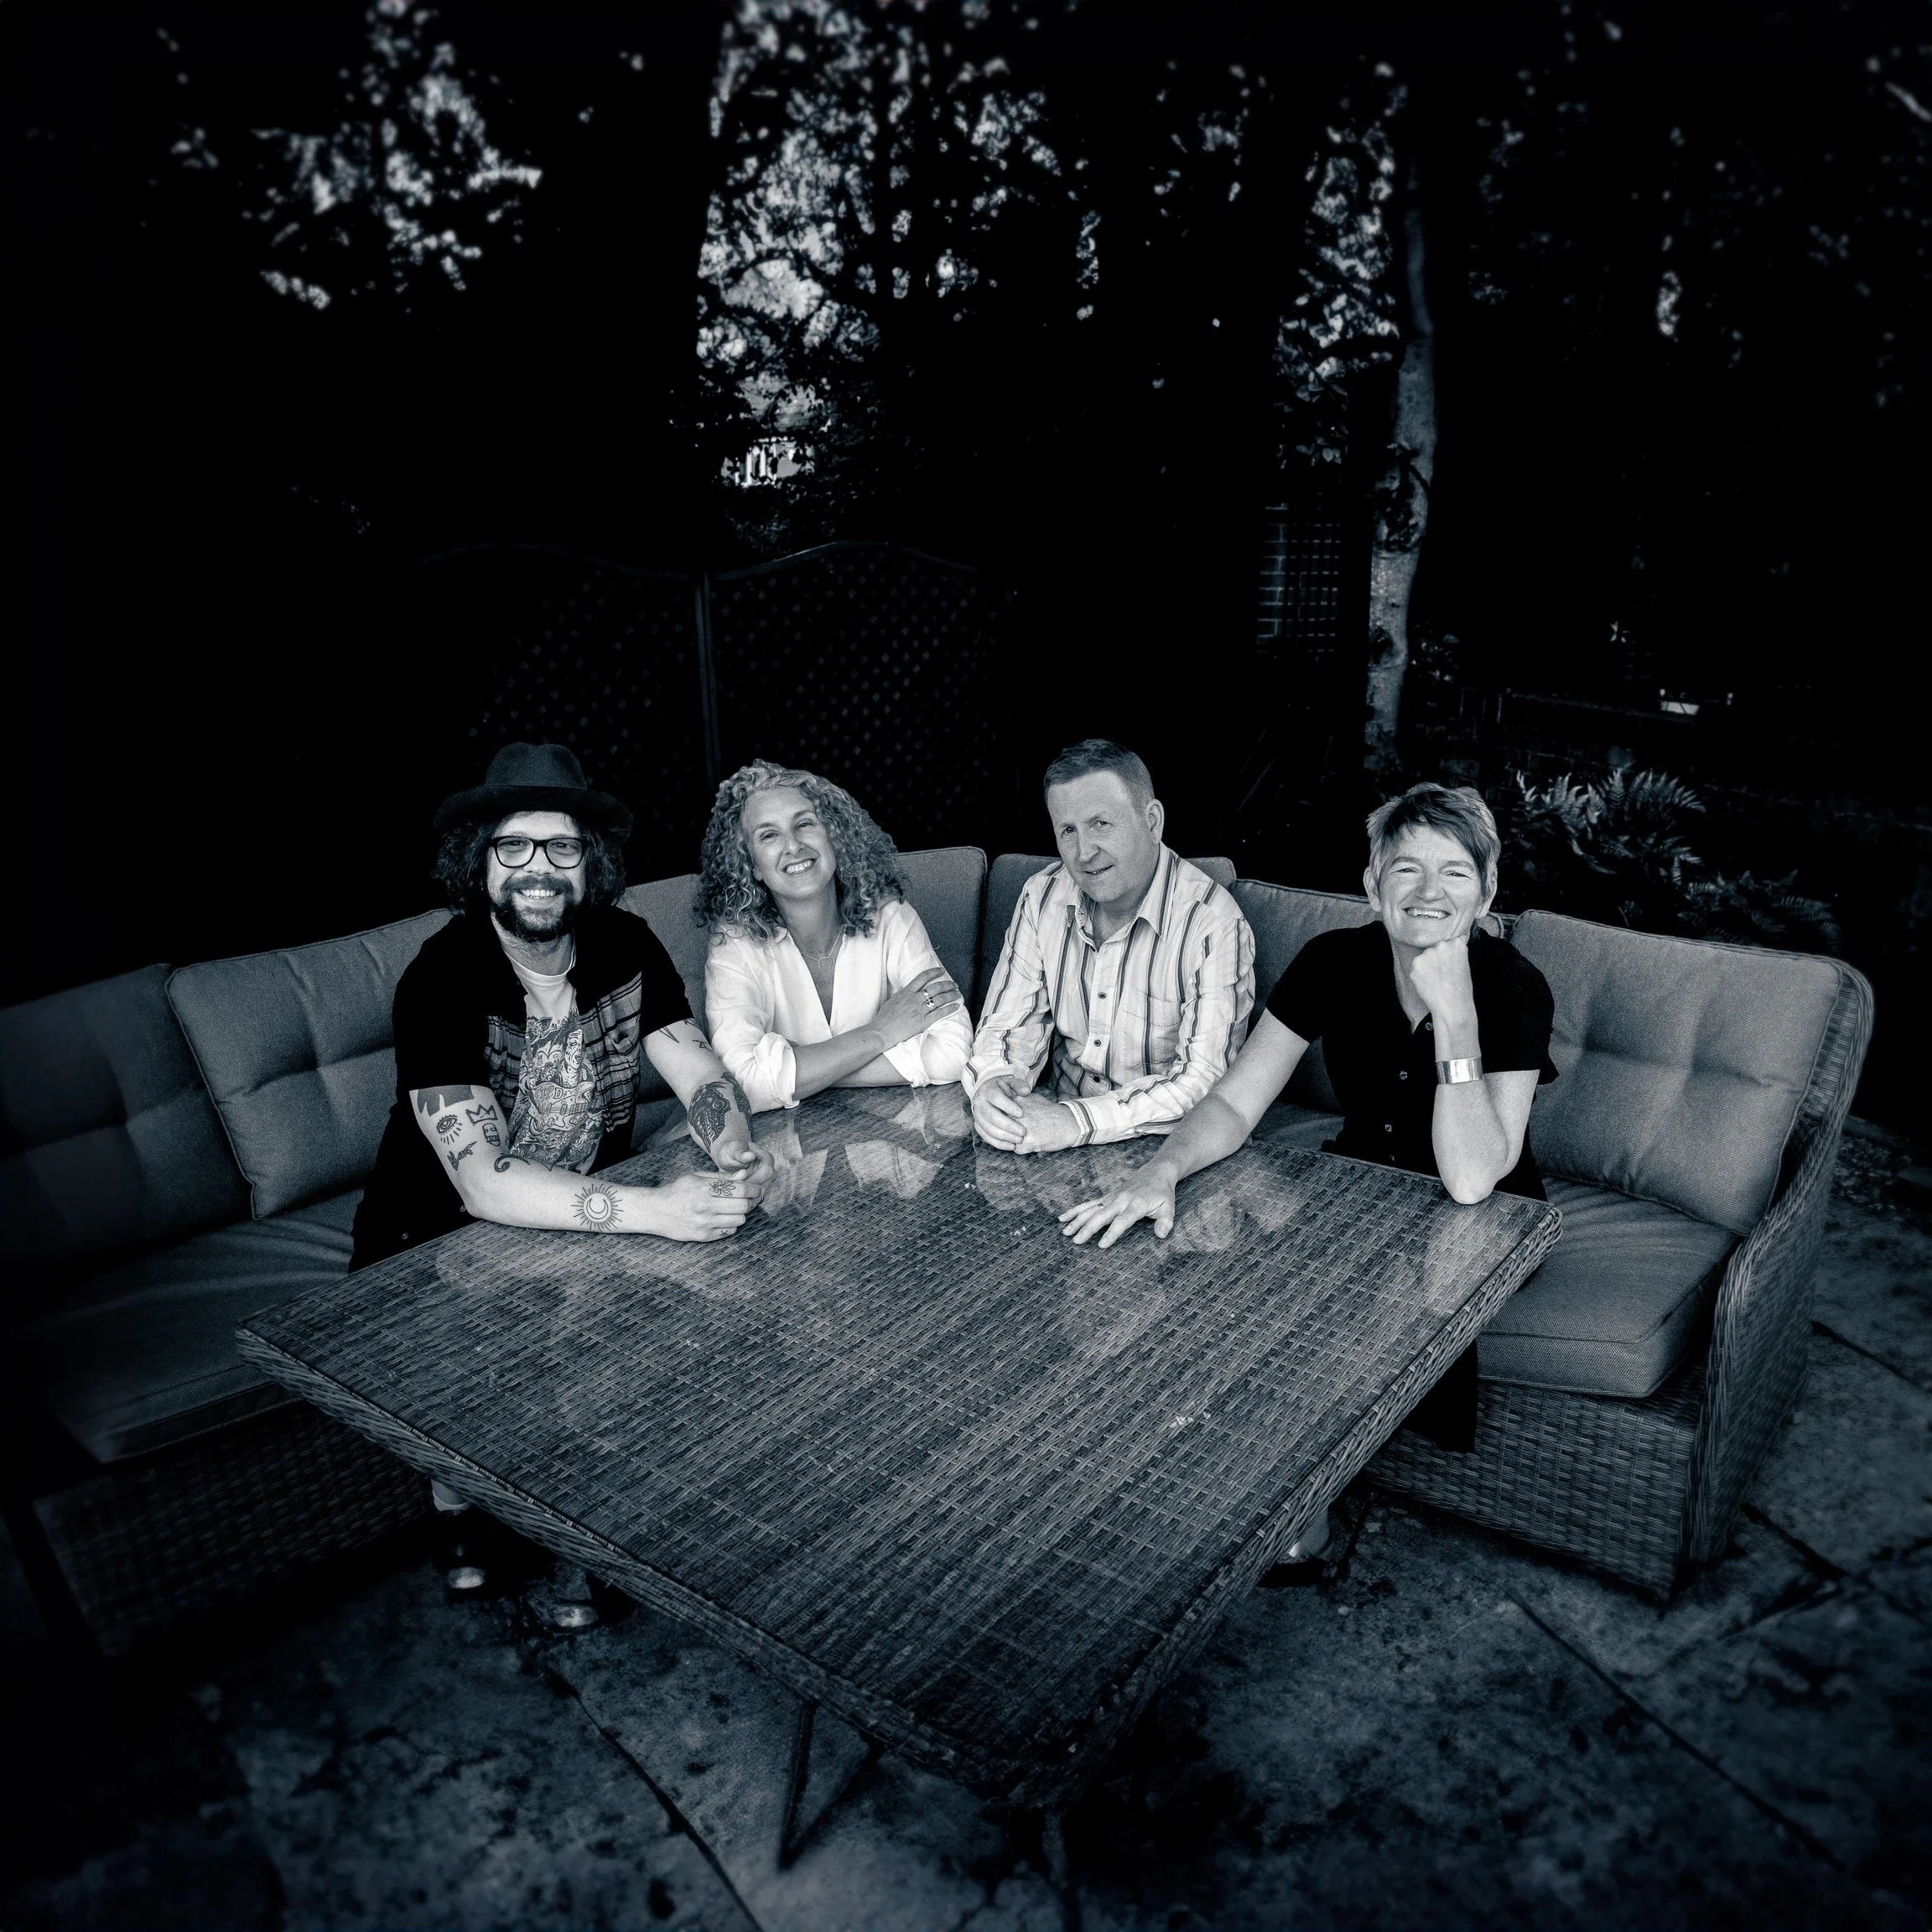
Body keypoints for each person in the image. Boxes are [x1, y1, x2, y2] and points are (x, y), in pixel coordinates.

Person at [1058, 782, 1557, 1545]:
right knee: (1217, 1278)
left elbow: (1469, 1179)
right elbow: (1234, 1104)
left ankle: (1285, 1517)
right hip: (1354, 1184)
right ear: (1370, 884)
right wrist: (1160, 1170)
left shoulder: (1514, 988)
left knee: (1339, 1313)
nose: (1428, 893)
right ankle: (1184, 1477)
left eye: (1455, 873)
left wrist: (1456, 1015)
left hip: (1486, 1217)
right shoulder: (1333, 959)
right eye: (1405, 870)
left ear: (1487, 890)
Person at [351, 742, 775, 1607]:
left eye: (561, 847)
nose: (538, 870)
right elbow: (483, 1183)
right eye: (514, 847)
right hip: (435, 1234)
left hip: (587, 1208)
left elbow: (696, 1073)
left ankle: (590, 1524)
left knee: (715, 1300)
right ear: (482, 862)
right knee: (491, 1358)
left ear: (592, 862)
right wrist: (655, 1209)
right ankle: (459, 1506)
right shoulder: (441, 977)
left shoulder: (626, 942)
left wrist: (730, 1143)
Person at [965, 739, 1255, 1153]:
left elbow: (1204, 1082)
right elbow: (1007, 1026)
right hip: (1052, 1134)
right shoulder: (1042, 897)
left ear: (1152, 821)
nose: (1084, 853)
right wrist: (996, 1085)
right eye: (1068, 831)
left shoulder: (1212, 923)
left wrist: (1075, 1121)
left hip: (1161, 1148)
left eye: (1101, 824)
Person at [697, 761, 971, 1113]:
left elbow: (955, 1051)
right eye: (769, 835)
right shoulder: (735, 944)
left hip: (896, 1138)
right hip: (785, 1154)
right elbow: (740, 1083)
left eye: (805, 824)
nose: (793, 846)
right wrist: (880, 1034)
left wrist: (800, 1066)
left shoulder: (891, 918)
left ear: (834, 836)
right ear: (751, 865)